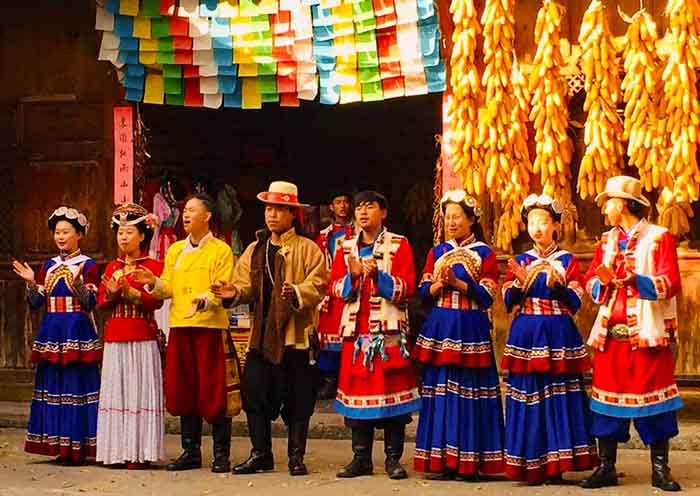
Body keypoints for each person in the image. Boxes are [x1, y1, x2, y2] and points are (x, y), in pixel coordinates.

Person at [212, 181, 327, 476]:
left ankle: (295, 457)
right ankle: (260, 453)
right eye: (269, 209)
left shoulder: (308, 249)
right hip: (262, 336)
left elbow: (319, 284)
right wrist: (232, 293)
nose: (272, 215)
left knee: (299, 399)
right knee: (254, 395)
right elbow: (243, 285)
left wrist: (297, 292)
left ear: (293, 214)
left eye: (279, 209)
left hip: (296, 337)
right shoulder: (255, 249)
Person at [581, 176, 683, 492]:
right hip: (613, 337)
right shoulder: (606, 242)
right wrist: (606, 281)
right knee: (605, 407)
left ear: (622, 203)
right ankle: (606, 466)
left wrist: (636, 280)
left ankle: (660, 469)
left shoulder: (659, 238)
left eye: (608, 202)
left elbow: (671, 282)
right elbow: (590, 283)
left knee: (656, 406)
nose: (604, 209)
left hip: (647, 337)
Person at [132, 192, 240, 473]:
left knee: (214, 390)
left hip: (210, 327)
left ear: (207, 216)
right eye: (186, 210)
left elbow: (222, 288)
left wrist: (205, 299)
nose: (187, 215)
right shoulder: (176, 249)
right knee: (185, 389)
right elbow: (167, 287)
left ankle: (221, 454)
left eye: (193, 210)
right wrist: (152, 282)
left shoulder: (221, 250)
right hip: (180, 325)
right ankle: (190, 451)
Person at [501, 194, 597, 485]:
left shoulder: (566, 260)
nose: (537, 228)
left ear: (556, 225)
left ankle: (558, 464)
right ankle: (529, 464)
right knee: (528, 394)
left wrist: (557, 289)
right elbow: (508, 301)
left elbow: (576, 301)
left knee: (559, 396)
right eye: (531, 222)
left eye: (543, 222)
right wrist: (518, 283)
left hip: (558, 333)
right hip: (528, 333)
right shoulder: (520, 260)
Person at [413, 190, 504, 481]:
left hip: (470, 326)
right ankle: (441, 460)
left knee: (470, 393)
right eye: (448, 216)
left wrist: (460, 284)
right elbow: (422, 292)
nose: (451, 222)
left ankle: (471, 461)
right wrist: (439, 285)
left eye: (457, 216)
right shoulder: (436, 252)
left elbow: (488, 295)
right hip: (441, 326)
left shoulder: (485, 253)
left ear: (471, 220)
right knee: (441, 392)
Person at [331, 191, 421, 480]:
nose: (362, 212)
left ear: (384, 212)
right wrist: (354, 276)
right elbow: (333, 288)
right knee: (357, 398)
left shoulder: (399, 244)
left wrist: (376, 277)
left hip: (387, 334)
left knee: (392, 397)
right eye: (358, 207)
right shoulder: (343, 247)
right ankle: (361, 458)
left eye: (370, 206)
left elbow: (408, 286)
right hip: (356, 336)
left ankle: (393, 459)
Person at [13, 206, 101, 464]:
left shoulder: (88, 265)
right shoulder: (48, 266)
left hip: (76, 330)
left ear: (79, 234)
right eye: (57, 232)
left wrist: (78, 285)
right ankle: (56, 446)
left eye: (66, 231)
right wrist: (31, 283)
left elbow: (91, 301)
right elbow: (37, 302)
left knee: (76, 386)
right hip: (52, 330)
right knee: (53, 386)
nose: (60, 236)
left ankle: (79, 447)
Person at [96, 203, 165, 469]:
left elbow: (155, 302)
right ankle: (116, 451)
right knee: (118, 393)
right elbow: (102, 303)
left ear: (143, 236)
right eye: (120, 232)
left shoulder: (153, 267)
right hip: (115, 336)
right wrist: (112, 293)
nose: (123, 237)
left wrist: (129, 291)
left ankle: (140, 453)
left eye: (129, 232)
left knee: (139, 392)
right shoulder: (112, 266)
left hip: (141, 335)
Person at [315, 192, 355, 399]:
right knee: (329, 338)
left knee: (353, 335)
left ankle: (350, 381)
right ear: (331, 207)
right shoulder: (324, 236)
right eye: (338, 202)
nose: (343, 206)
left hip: (356, 289)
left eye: (346, 202)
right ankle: (330, 381)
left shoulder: (361, 232)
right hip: (331, 291)